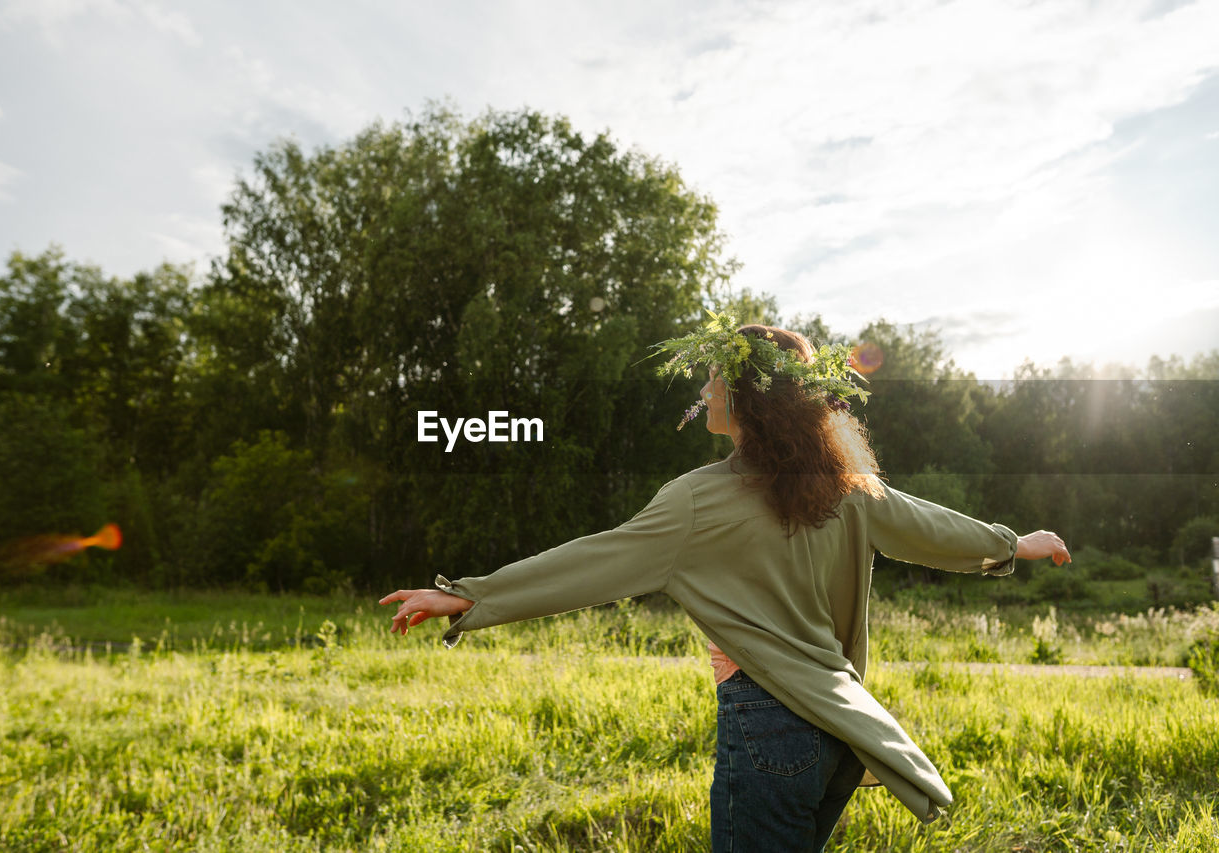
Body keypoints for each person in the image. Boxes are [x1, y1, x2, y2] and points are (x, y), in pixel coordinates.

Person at [380, 316, 1070, 852]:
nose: (704, 389)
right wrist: (1016, 543)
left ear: (747, 396)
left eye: (713, 379)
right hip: (837, 730)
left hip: (767, 722)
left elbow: (594, 561)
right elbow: (930, 526)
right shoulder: (847, 487)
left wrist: (474, 594)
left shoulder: (697, 500)